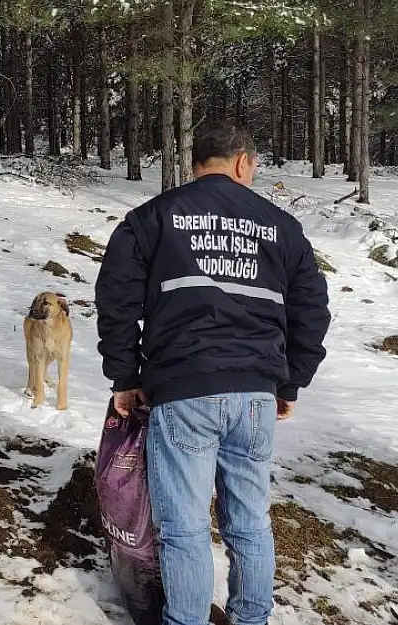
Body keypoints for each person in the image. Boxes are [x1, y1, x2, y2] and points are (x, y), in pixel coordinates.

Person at [95, 122, 331, 625]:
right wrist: (288, 382)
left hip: (184, 391)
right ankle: (252, 619)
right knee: (249, 524)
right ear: (243, 162)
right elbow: (312, 310)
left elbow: (116, 299)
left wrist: (125, 375)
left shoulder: (152, 218)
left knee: (183, 529)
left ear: (195, 162)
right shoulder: (281, 227)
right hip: (255, 397)